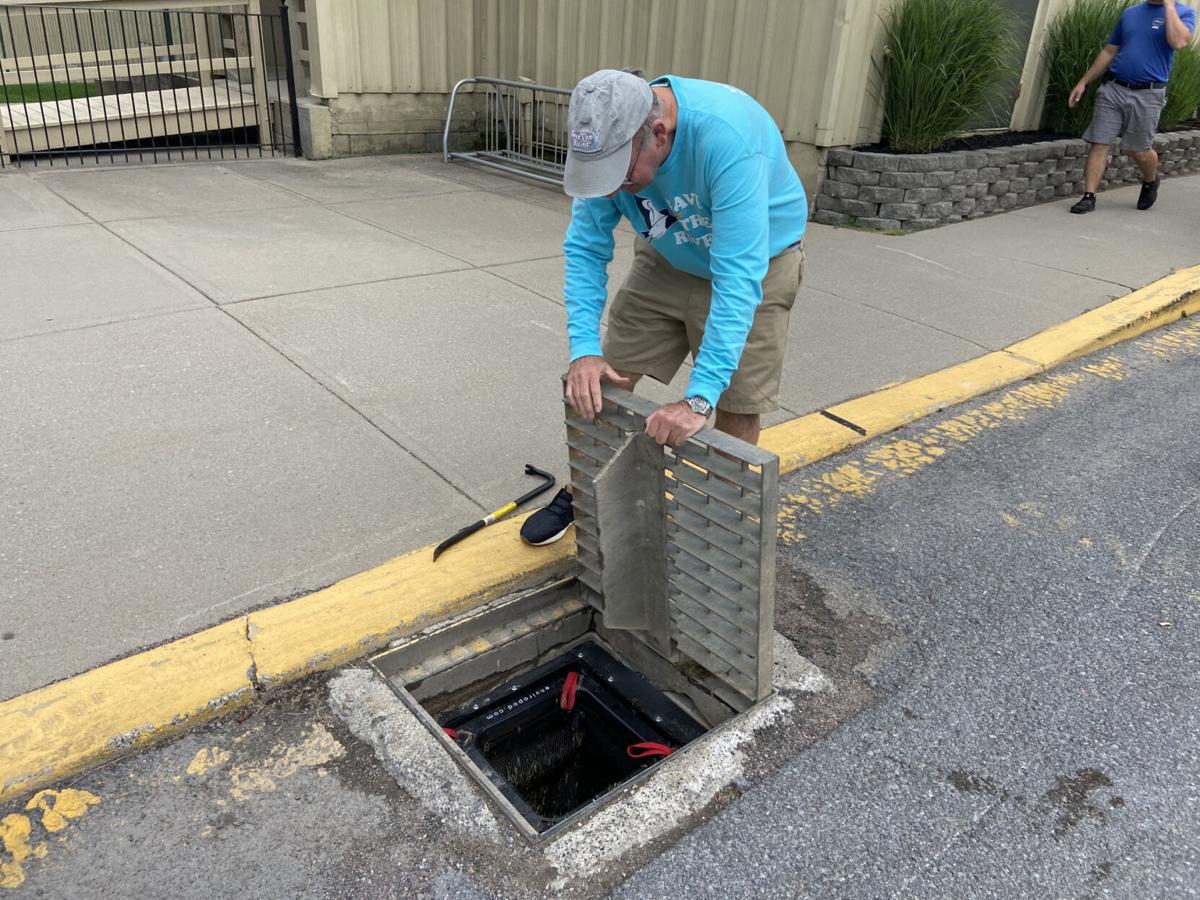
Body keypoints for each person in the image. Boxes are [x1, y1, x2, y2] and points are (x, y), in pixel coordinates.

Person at [520, 68, 808, 546]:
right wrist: (584, 349)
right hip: (669, 252)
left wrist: (699, 397)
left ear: (657, 134)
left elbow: (738, 279)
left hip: (755, 261)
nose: (611, 190)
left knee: (736, 399)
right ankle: (588, 487)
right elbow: (586, 249)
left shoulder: (728, 137)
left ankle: (719, 514)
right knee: (605, 378)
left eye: (620, 175)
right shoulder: (611, 145)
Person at [1068, 0, 1196, 214]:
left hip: (1149, 93)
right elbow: (1110, 50)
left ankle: (1150, 180)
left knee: (1139, 150)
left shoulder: (1185, 13)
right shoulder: (1131, 13)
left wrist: (1169, 7)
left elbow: (1179, 42)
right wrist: (1083, 82)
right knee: (1099, 142)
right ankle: (1088, 196)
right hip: (1114, 88)